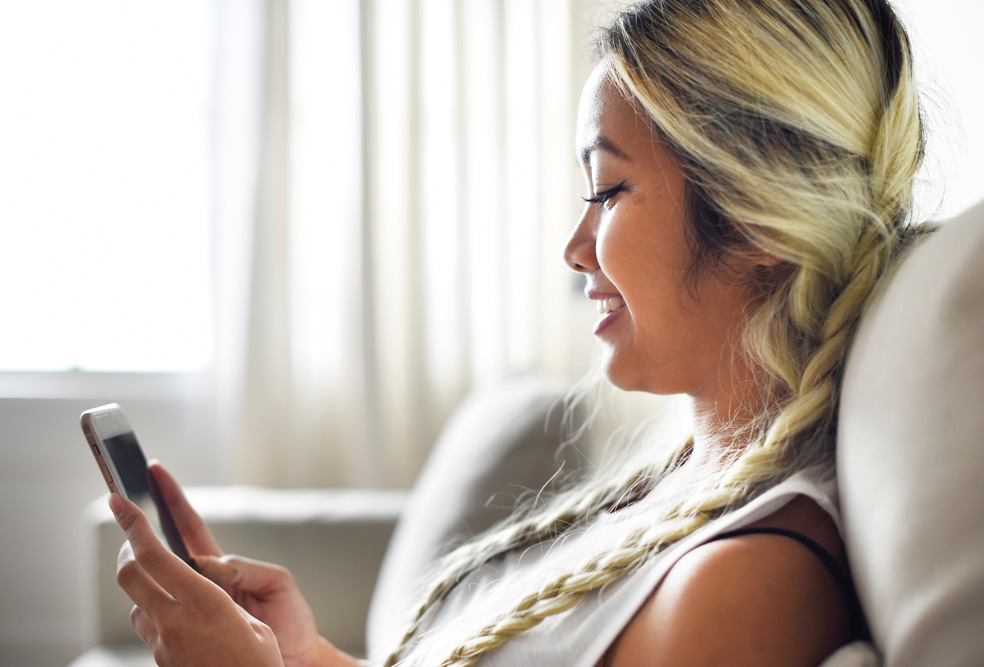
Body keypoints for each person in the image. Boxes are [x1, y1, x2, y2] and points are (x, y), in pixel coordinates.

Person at [108, 0, 928, 664]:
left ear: (755, 215)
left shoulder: (749, 584)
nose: (575, 248)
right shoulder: (685, 490)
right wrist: (305, 656)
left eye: (608, 190)